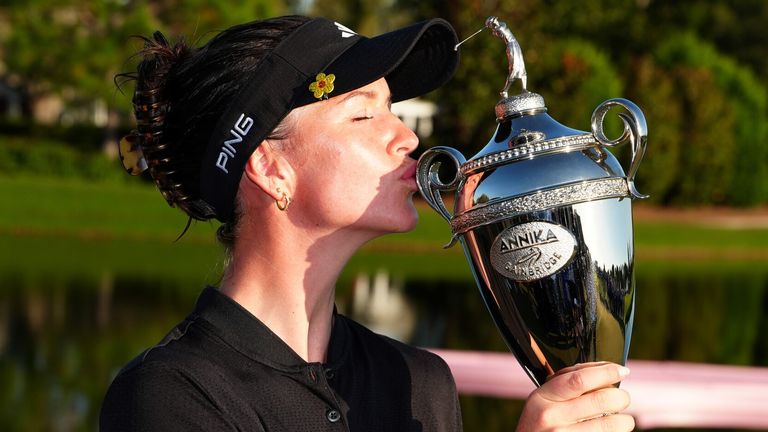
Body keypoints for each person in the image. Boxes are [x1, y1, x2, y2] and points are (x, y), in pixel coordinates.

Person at [101, 15, 634, 431]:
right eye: (363, 114)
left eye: (394, 109)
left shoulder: (419, 383)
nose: (406, 138)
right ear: (270, 166)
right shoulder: (171, 395)